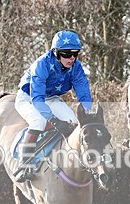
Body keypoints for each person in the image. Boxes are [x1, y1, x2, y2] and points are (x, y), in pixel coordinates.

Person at [13, 30, 93, 181]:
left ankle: (72, 160)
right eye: (66, 54)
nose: (72, 58)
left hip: (51, 98)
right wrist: (53, 120)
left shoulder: (76, 67)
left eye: (75, 53)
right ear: (55, 52)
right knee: (39, 121)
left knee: (75, 123)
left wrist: (87, 113)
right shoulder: (41, 65)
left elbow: (83, 93)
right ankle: (25, 164)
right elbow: (37, 98)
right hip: (29, 98)